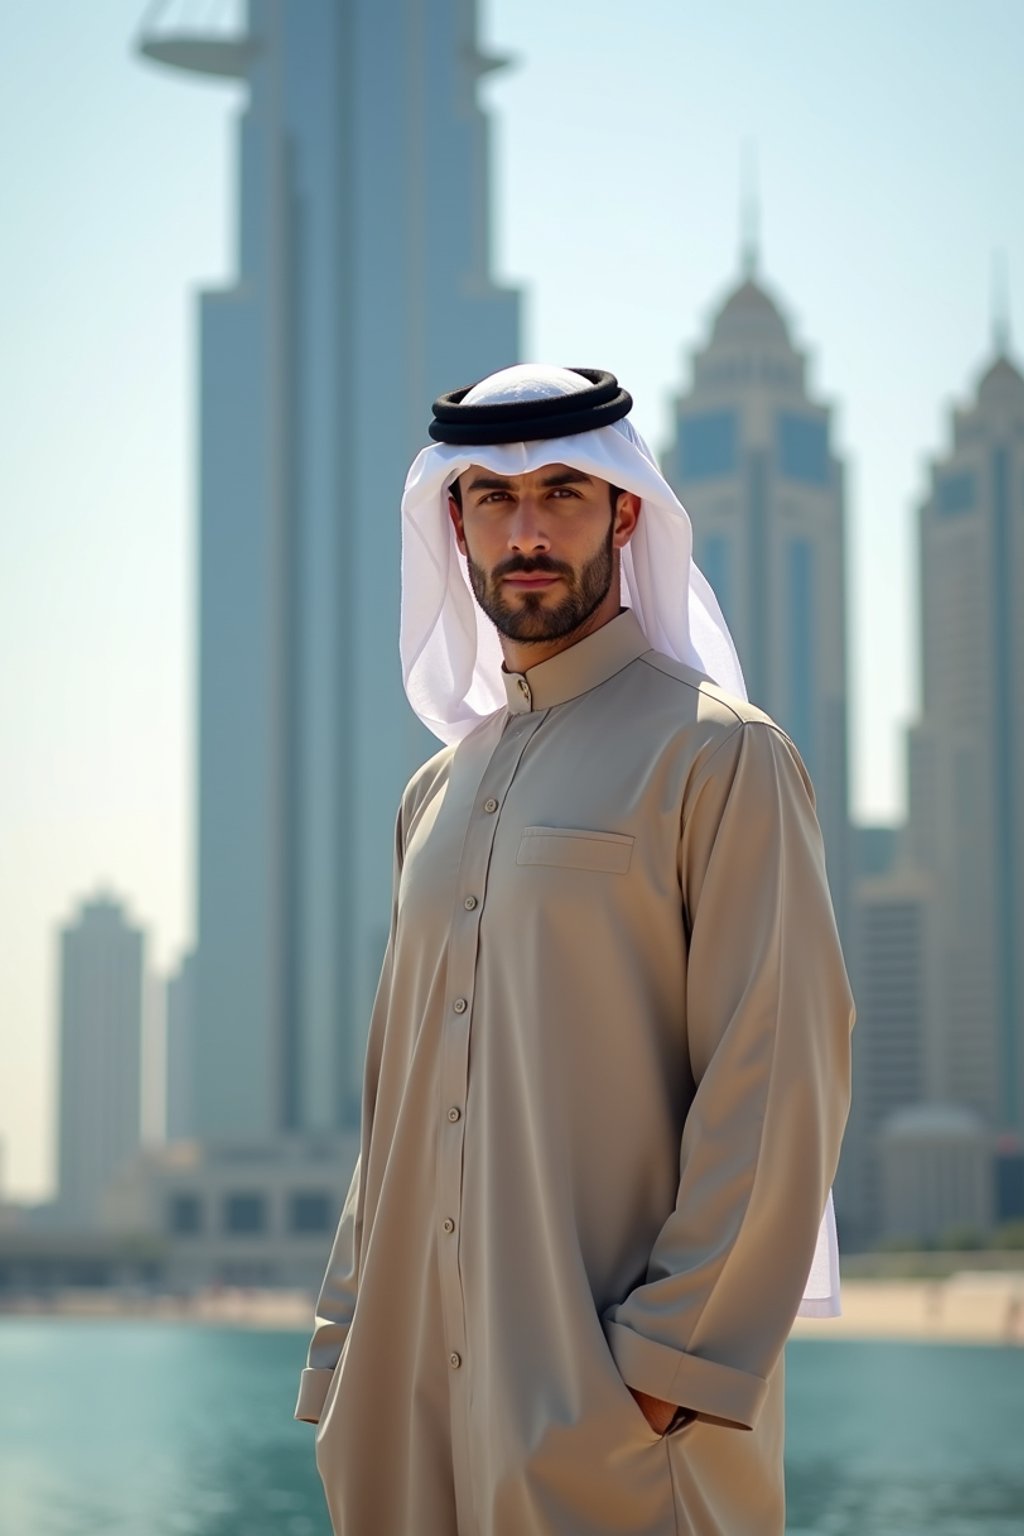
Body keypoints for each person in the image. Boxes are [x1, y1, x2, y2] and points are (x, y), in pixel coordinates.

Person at [296, 364, 855, 1536]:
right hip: (402, 1427)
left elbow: (776, 1082)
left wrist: (658, 1375)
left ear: (624, 512)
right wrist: (341, 1353)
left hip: (612, 1429)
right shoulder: (432, 796)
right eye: (492, 501)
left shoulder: (719, 758)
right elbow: (396, 1105)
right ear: (454, 525)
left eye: (561, 491)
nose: (528, 529)